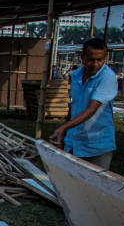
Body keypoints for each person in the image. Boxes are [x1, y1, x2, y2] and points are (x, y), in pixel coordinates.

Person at [50, 38, 117, 170]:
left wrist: (63, 128)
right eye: (91, 60)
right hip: (74, 141)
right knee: (70, 180)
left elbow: (92, 109)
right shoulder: (76, 76)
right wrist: (66, 130)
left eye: (100, 60)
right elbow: (74, 105)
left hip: (97, 144)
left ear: (105, 57)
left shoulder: (107, 77)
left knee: (95, 185)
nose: (96, 64)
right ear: (83, 57)